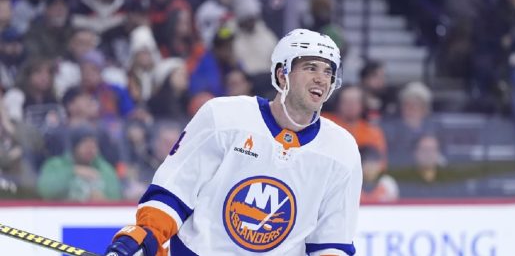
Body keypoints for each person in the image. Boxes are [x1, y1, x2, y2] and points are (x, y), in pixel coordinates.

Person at [104, 28, 362, 256]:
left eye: (328, 71)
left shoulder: (341, 150)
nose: (321, 78)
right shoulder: (223, 117)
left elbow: (332, 242)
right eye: (310, 68)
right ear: (283, 75)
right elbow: (174, 192)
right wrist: (144, 237)